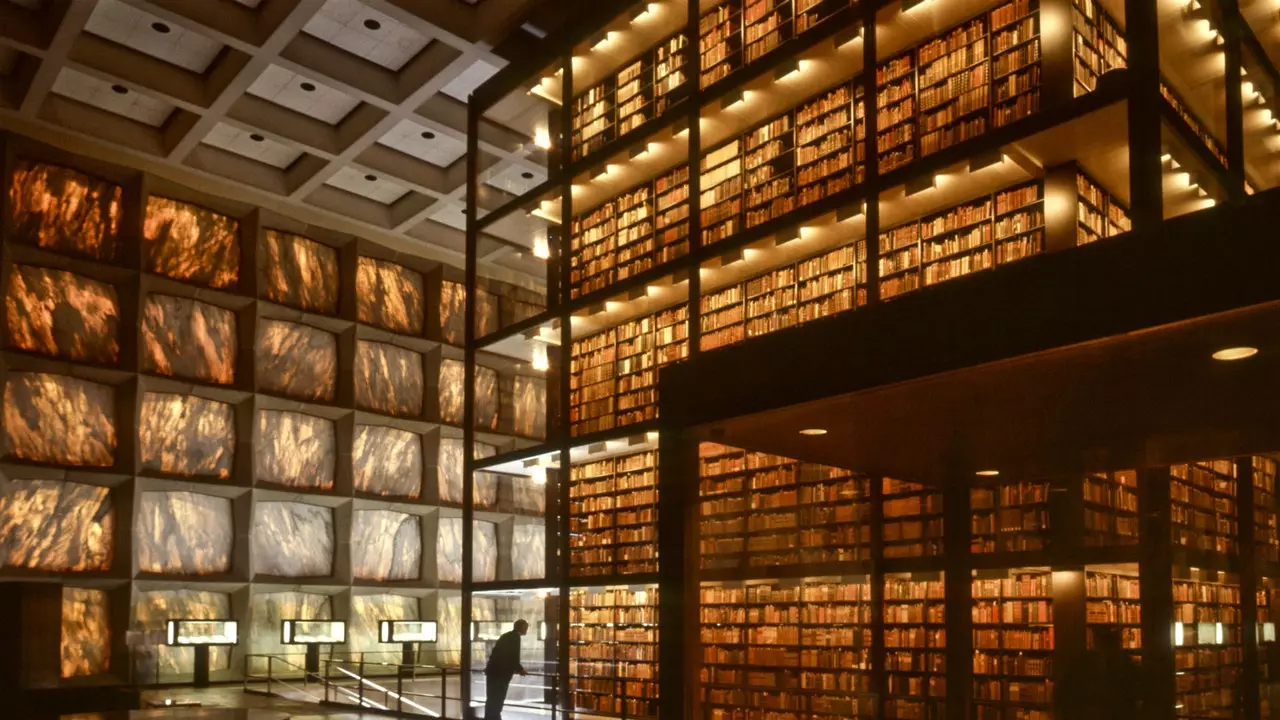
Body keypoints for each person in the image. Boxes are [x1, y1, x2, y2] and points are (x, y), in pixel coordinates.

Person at [484, 619, 529, 720]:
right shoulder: (516, 638)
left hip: (492, 672)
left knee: (491, 698)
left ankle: (489, 717)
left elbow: (496, 653)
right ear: (521, 628)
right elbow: (513, 656)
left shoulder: (506, 636)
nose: (527, 630)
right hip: (501, 675)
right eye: (526, 627)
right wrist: (520, 669)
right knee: (498, 699)